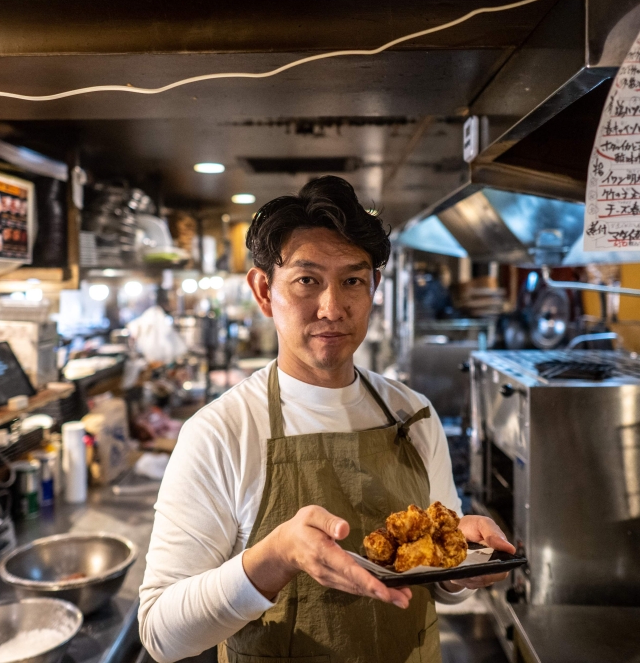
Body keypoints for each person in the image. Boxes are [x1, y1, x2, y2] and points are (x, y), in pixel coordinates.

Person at [139, 176, 515, 663]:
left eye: (353, 281)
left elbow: (435, 585)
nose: (332, 308)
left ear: (374, 288)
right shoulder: (221, 432)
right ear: (263, 290)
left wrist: (461, 567)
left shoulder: (413, 414)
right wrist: (274, 559)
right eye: (307, 280)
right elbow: (161, 633)